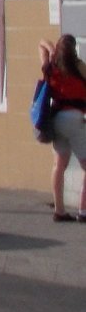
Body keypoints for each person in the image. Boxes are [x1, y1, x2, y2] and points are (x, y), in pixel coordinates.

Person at [40, 33, 86, 221]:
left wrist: (51, 50)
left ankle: (59, 210)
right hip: (76, 119)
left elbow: (41, 43)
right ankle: (83, 211)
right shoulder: (79, 67)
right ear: (74, 49)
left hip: (56, 119)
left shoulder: (50, 67)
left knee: (59, 165)